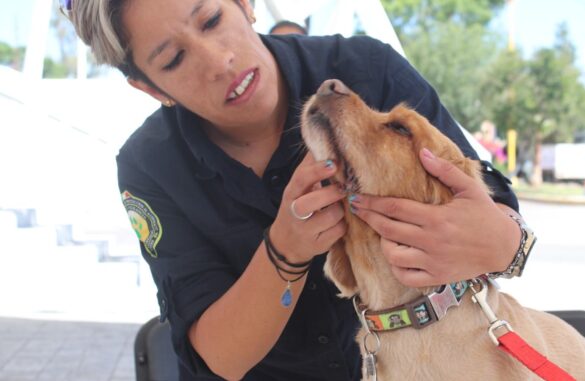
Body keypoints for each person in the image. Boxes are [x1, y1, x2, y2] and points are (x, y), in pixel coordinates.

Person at [64, 0, 529, 380]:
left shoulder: (367, 70)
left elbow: (495, 211)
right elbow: (218, 360)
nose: (219, 61)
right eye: (174, 59)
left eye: (211, 20)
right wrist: (284, 249)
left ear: (243, 4)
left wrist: (504, 243)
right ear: (149, 87)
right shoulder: (151, 165)